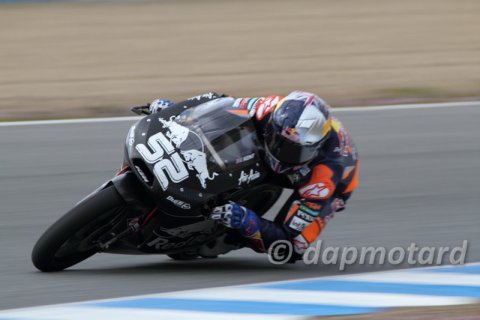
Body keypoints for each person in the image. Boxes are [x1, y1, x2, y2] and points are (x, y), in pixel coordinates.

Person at [148, 91, 359, 262]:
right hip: (271, 144)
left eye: (294, 151)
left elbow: (288, 245)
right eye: (279, 141)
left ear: (315, 149)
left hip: (333, 183)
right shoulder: (270, 107)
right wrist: (177, 113)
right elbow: (221, 107)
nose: (282, 153)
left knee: (292, 248)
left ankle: (231, 236)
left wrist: (247, 221)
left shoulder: (324, 176)